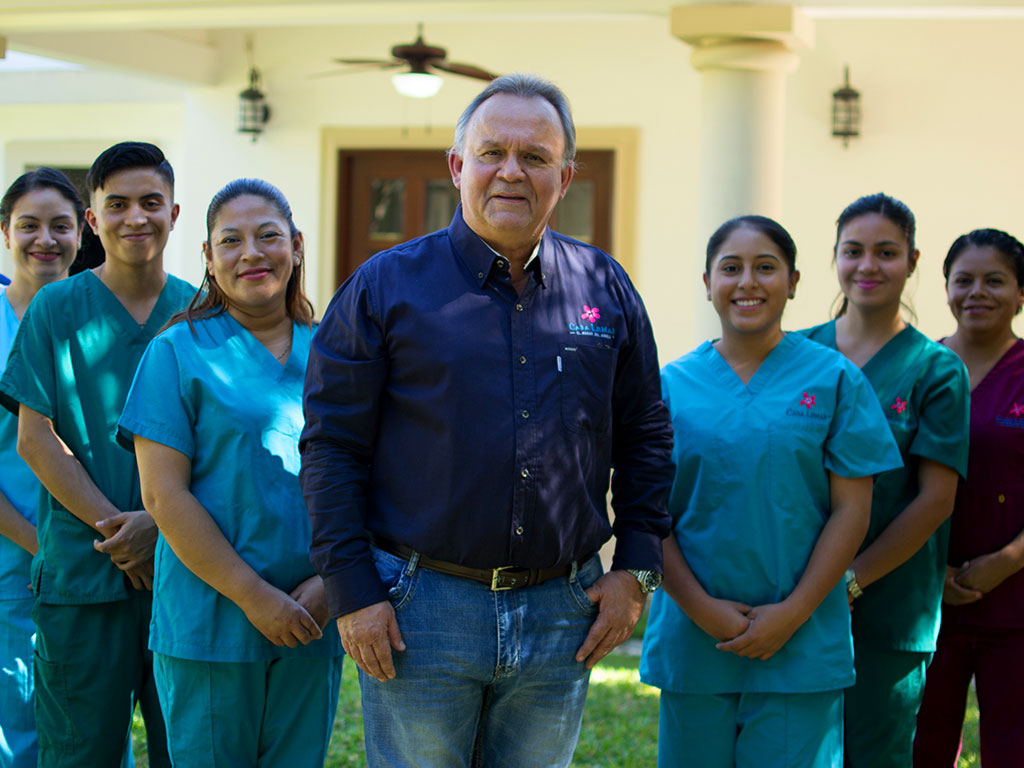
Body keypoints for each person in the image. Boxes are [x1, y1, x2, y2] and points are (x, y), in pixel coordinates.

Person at [300, 73, 674, 768]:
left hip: (562, 610)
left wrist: (638, 570)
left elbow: (647, 433)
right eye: (492, 152)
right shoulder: (383, 288)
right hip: (418, 608)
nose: (511, 171)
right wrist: (353, 593)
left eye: (534, 157)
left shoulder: (606, 289)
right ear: (457, 166)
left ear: (563, 177)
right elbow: (331, 448)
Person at [640, 215, 901, 768]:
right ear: (707, 283)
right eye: (730, 268)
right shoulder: (669, 386)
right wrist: (701, 608)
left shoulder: (834, 379)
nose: (747, 283)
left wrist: (796, 610)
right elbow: (648, 513)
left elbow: (852, 511)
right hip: (696, 639)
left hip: (801, 641)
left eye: (766, 267)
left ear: (795, 281)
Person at [117, 179, 343, 767]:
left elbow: (366, 482)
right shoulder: (176, 352)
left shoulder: (335, 355)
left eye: (268, 237)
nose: (252, 254)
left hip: (312, 616)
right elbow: (162, 495)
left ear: (295, 247)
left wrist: (329, 583)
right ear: (209, 262)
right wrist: (253, 596)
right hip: (211, 620)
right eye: (231, 241)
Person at [0, 142, 194, 768]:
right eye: (118, 204)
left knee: (185, 750)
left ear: (175, 213)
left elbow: (222, 448)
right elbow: (34, 438)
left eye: (150, 203)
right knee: (78, 754)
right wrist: (120, 528)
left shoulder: (200, 313)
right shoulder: (57, 309)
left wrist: (158, 527)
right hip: (83, 581)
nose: (135, 217)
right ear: (93, 220)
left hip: (187, 576)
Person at [801, 193, 970, 768]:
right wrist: (808, 591)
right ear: (835, 258)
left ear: (913, 260)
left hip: (887, 611)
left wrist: (846, 583)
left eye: (886, 252)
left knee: (874, 755)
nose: (867, 265)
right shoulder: (796, 353)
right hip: (791, 598)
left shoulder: (935, 369)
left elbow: (934, 501)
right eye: (853, 251)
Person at [913, 228, 1024, 767]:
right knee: (923, 744)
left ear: (1021, 293)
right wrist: (938, 573)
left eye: (995, 280)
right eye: (964, 280)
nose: (977, 292)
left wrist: (1007, 561)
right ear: (946, 289)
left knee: (1013, 743)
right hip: (923, 595)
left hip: (1016, 593)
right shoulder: (920, 368)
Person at [0, 168, 84, 768]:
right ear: (5, 231)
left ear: (85, 230)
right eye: (29, 225)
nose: (45, 240)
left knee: (89, 719)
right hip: (12, 559)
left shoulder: (99, 316)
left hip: (95, 558)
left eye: (61, 225)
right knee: (19, 717)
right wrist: (40, 546)